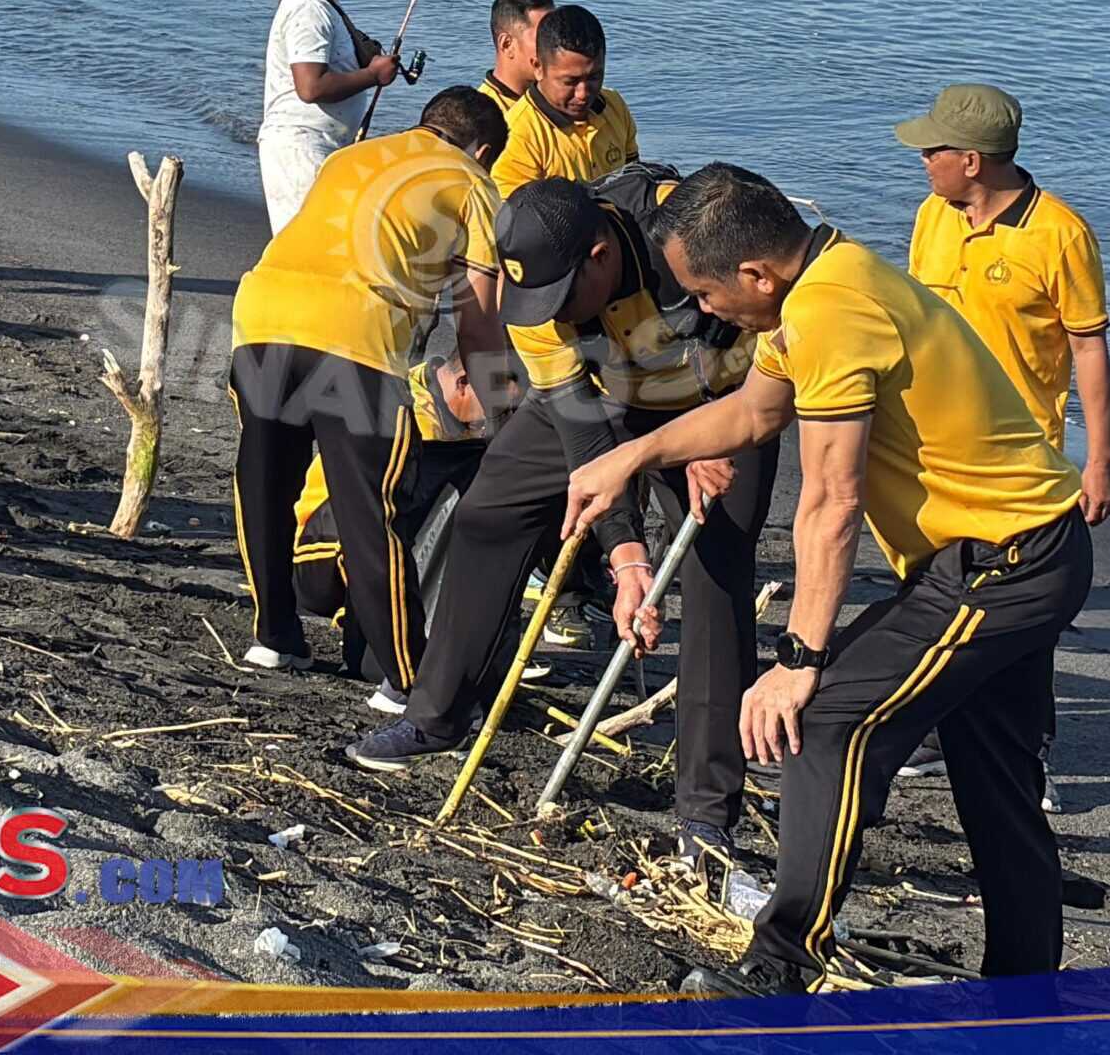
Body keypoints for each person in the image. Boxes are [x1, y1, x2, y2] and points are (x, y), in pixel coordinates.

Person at [564, 163, 1090, 995]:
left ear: (755, 274)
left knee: (827, 726)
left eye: (704, 294)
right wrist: (630, 455)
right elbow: (753, 413)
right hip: (1031, 549)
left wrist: (799, 658)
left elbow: (831, 502)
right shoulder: (827, 274)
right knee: (995, 774)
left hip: (1003, 565)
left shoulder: (829, 313)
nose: (705, 312)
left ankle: (780, 964)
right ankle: (1025, 991)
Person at [347, 175, 773, 859]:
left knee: (715, 574)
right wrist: (625, 557)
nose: (547, 312)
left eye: (561, 296)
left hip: (719, 404)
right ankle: (438, 715)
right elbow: (586, 438)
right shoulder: (540, 303)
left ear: (601, 255)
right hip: (603, 396)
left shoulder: (686, 236)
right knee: (488, 512)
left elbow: (776, 329)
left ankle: (705, 808)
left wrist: (722, 431)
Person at [228, 86, 509, 691]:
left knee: (265, 485)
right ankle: (406, 678)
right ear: (484, 151)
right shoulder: (475, 185)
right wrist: (503, 417)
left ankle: (274, 637)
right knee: (371, 509)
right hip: (356, 338)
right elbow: (479, 322)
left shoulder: (348, 157)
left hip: (261, 315)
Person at [892, 83, 1110, 812]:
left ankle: (1029, 751)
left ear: (972, 160)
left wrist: (1100, 460)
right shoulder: (932, 215)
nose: (922, 159)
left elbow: (1088, 349)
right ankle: (935, 733)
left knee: (1020, 611)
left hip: (1021, 457)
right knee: (932, 589)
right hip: (932, 444)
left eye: (933, 149)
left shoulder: (1060, 234)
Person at [292, 355, 490, 711]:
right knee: (467, 479)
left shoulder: (433, 396)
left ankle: (393, 640)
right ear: (463, 383)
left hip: (352, 551)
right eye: (494, 403)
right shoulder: (416, 419)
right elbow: (373, 520)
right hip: (324, 553)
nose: (492, 417)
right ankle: (401, 657)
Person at [259, 0, 400, 232]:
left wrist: (367, 60)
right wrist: (373, 76)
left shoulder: (322, 4)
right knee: (307, 243)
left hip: (321, 147)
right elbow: (311, 87)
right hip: (301, 146)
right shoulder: (307, 8)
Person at [489, 4, 638, 197]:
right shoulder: (516, 136)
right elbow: (515, 214)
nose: (583, 93)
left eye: (594, 77)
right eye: (570, 81)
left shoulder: (614, 105)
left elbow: (636, 182)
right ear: (538, 67)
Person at [476, 0, 552, 114]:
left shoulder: (562, 101)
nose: (556, 46)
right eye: (543, 37)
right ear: (507, 45)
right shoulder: (483, 115)